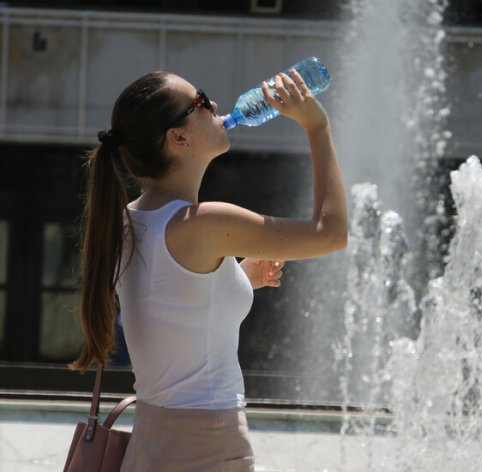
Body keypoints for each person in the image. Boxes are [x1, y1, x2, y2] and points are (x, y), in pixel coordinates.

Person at [69, 68, 348, 471]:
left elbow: (174, 304)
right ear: (177, 138)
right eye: (200, 102)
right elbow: (332, 233)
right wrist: (318, 127)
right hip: (207, 442)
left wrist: (240, 278)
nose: (215, 105)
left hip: (149, 440)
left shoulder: (126, 223)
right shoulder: (204, 223)